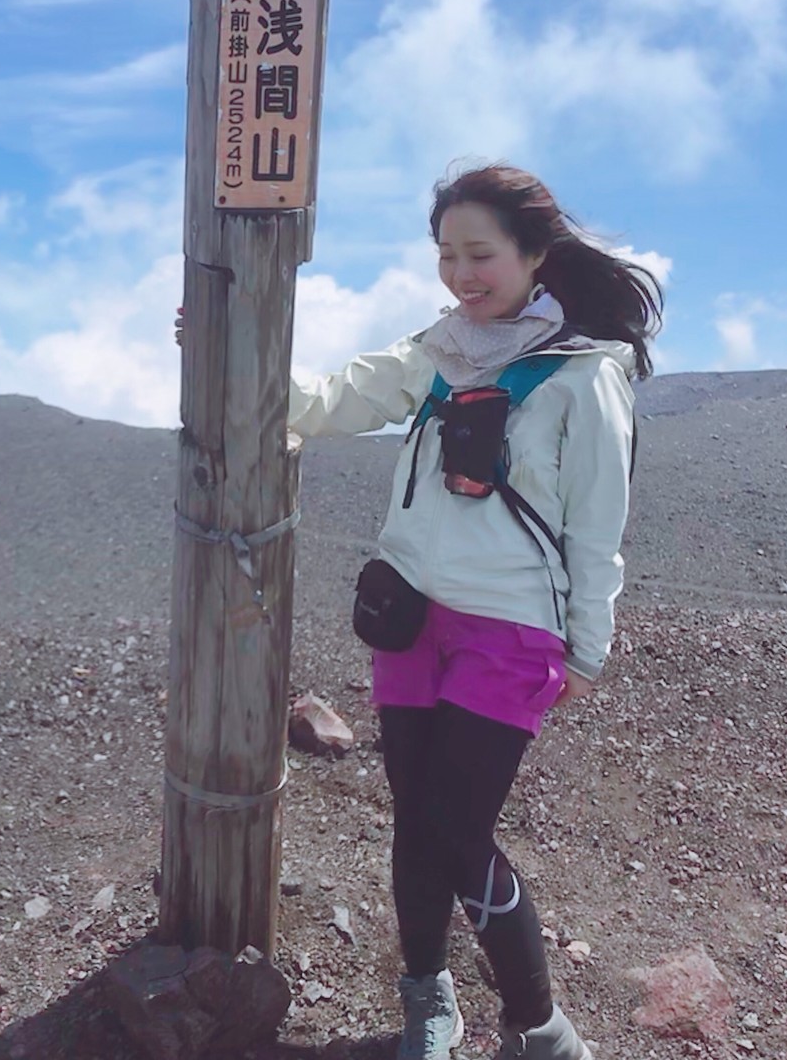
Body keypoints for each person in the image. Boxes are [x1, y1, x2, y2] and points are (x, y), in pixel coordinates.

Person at [283, 163, 662, 1060]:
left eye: (480, 253)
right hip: (412, 619)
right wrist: (220, 344)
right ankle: (429, 1006)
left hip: (512, 632)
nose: (461, 273)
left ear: (534, 255)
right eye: (448, 254)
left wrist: (588, 651)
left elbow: (600, 523)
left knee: (455, 830)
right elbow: (326, 401)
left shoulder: (585, 374)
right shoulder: (436, 353)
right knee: (415, 822)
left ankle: (540, 1028)